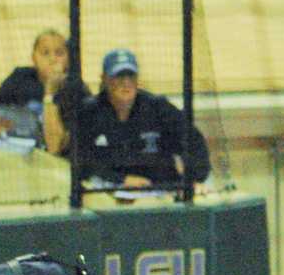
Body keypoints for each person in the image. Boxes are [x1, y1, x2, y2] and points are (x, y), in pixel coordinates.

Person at [67, 48, 212, 190]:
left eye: (131, 76)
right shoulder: (89, 113)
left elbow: (194, 142)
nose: (126, 83)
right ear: (104, 79)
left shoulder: (158, 107)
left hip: (161, 191)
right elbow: (80, 161)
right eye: (119, 77)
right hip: (108, 194)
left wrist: (194, 178)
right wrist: (121, 180)